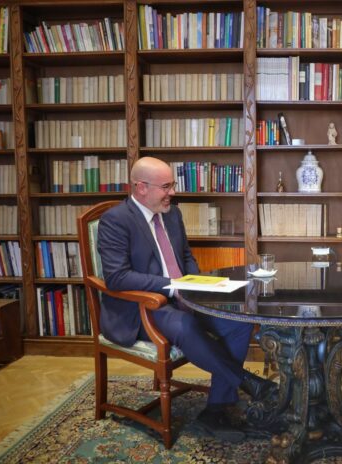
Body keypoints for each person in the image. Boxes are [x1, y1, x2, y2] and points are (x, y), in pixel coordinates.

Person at [97, 156, 275, 442]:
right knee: (185, 325)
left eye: (172, 185)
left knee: (238, 322)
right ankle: (247, 381)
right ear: (141, 188)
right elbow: (117, 277)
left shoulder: (172, 214)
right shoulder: (116, 221)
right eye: (166, 186)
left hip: (184, 298)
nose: (173, 192)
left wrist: (199, 287)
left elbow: (186, 257)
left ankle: (215, 410)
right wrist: (172, 286)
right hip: (142, 309)